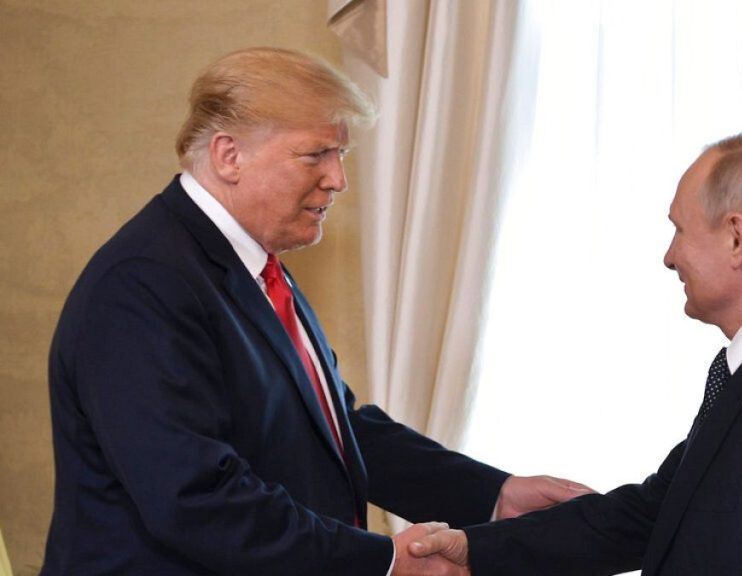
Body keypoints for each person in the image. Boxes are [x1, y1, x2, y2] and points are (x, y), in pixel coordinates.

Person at [42, 47, 589, 575]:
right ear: (229, 156)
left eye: (341, 154)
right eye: (315, 154)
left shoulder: (250, 265)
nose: (337, 179)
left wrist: (492, 494)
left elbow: (331, 430)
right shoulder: (143, 283)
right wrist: (382, 561)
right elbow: (195, 497)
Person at [409, 133, 742, 575]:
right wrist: (474, 550)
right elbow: (651, 515)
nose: (670, 256)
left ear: (737, 237)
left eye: (681, 230)